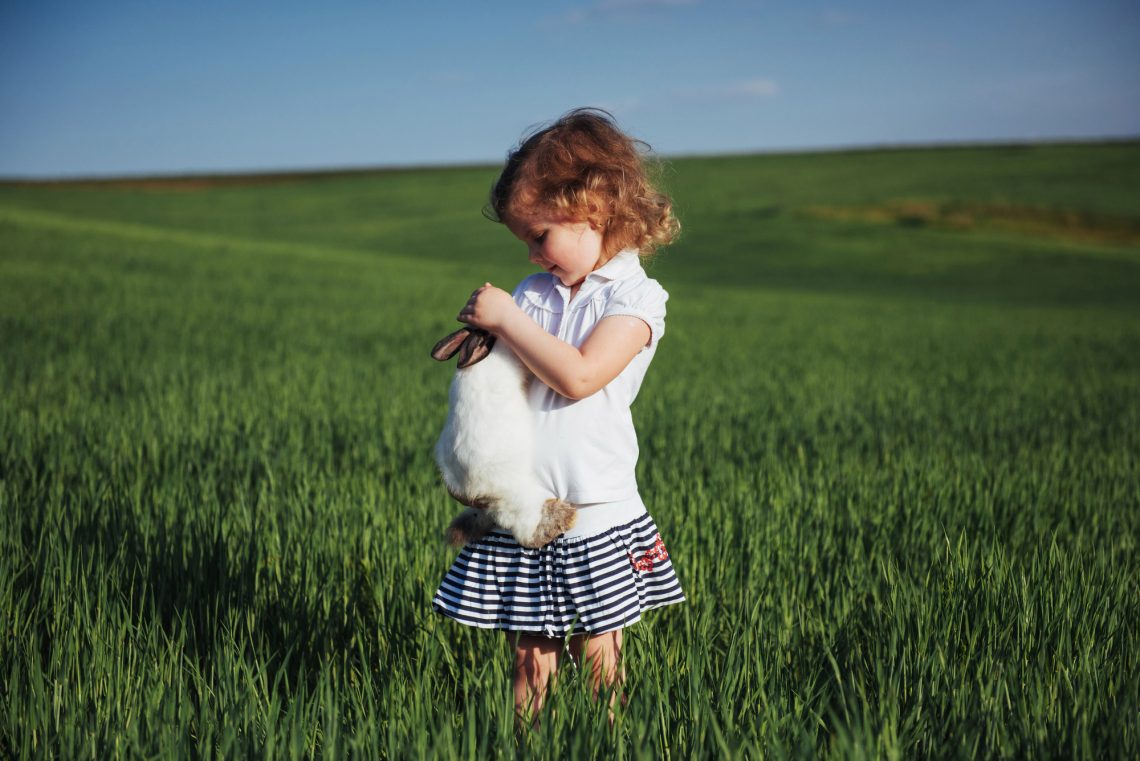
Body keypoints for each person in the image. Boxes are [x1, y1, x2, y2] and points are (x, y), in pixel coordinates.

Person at [431, 108, 685, 724]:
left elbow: (578, 376)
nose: (532, 252)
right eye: (523, 240)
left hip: (595, 506)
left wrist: (507, 322)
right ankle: (527, 742)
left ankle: (606, 742)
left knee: (598, 657)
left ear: (595, 209)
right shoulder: (533, 293)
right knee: (528, 658)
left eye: (540, 235)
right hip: (528, 504)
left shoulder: (636, 299)